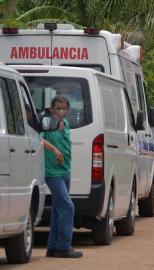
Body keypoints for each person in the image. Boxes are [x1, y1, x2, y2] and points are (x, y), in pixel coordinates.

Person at [41, 96, 83, 258]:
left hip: (65, 170)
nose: (61, 111)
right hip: (52, 173)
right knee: (67, 207)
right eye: (58, 108)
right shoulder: (46, 123)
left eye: (64, 108)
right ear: (51, 109)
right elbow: (39, 140)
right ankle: (65, 246)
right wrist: (54, 150)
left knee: (58, 211)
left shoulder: (65, 124)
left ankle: (53, 248)